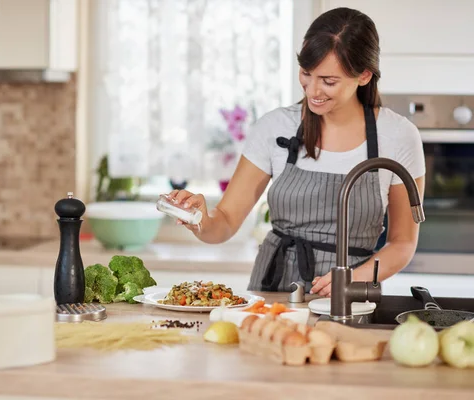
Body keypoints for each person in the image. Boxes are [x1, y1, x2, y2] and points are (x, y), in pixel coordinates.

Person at [168, 7, 426, 296]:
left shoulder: (399, 136)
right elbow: (224, 222)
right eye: (306, 73)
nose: (312, 90)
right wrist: (200, 219)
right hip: (273, 294)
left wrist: (354, 277)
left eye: (328, 81)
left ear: (364, 75)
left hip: (352, 299)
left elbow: (403, 242)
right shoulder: (275, 126)